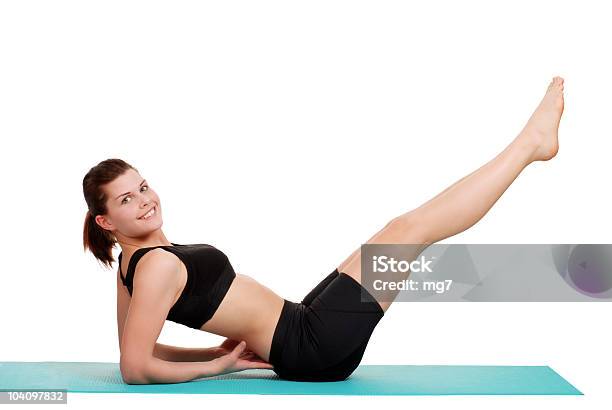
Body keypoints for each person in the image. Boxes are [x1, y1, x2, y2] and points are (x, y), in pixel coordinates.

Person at [82, 76, 565, 384]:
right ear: (106, 220)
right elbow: (134, 367)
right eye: (127, 199)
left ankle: (529, 146)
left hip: (301, 323)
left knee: (398, 229)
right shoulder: (154, 267)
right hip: (313, 345)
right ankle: (528, 146)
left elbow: (137, 347)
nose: (146, 200)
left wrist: (211, 350)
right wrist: (216, 368)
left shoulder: (132, 265)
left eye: (143, 187)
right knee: (412, 230)